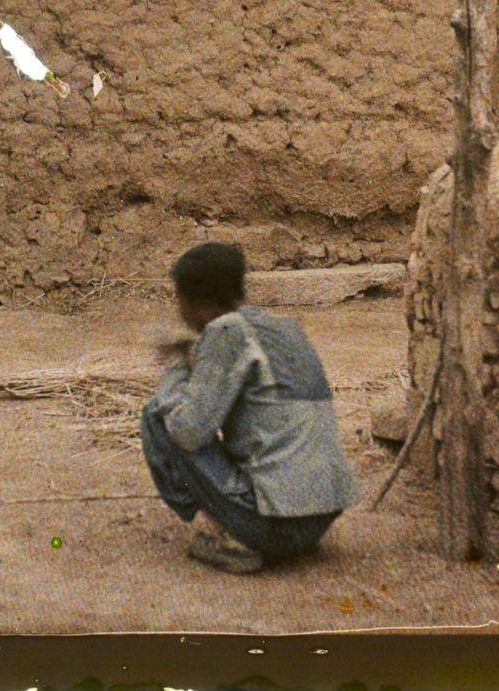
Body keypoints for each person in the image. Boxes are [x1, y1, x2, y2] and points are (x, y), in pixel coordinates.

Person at [140, 241, 359, 574]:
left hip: (272, 525)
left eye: (179, 301)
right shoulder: (286, 327)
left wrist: (177, 368)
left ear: (197, 303)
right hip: (321, 517)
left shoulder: (225, 330)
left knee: (157, 412)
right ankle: (280, 536)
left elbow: (188, 432)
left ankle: (232, 533)